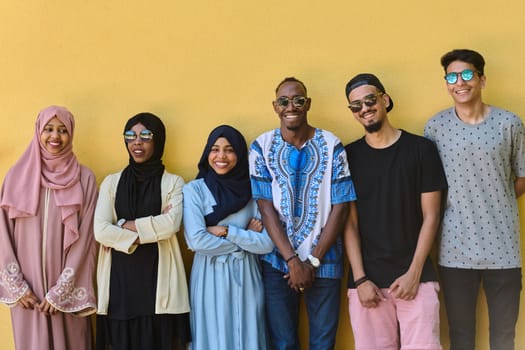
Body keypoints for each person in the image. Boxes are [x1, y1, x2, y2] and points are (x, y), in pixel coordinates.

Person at [424, 49, 525, 350]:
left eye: (467, 74)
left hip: (504, 246)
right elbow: (430, 187)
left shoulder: (509, 124)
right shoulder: (436, 128)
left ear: (482, 79)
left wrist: (496, 197)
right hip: (455, 248)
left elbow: (522, 175)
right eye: (452, 77)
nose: (460, 83)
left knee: (504, 336)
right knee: (461, 336)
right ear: (446, 82)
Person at [249, 77, 356, 349]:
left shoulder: (332, 145)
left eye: (297, 100)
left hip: (326, 259)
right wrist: (293, 261)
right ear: (275, 106)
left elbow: (340, 206)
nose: (291, 106)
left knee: (323, 342)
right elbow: (265, 206)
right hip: (277, 262)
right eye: (283, 101)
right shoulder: (261, 146)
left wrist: (313, 261)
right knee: (283, 343)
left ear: (307, 103)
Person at [343, 73, 447, 350]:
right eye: (356, 105)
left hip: (417, 277)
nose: (364, 108)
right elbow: (349, 224)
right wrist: (360, 279)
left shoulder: (421, 150)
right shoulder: (348, 157)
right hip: (368, 284)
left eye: (370, 100)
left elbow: (432, 216)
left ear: (384, 100)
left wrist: (414, 274)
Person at [0, 105, 98, 349]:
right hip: (28, 294)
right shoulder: (16, 177)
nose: (55, 136)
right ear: (38, 132)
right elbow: (2, 235)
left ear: (71, 134)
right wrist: (17, 286)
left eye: (63, 130)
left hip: (66, 289)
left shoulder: (84, 178)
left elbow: (87, 238)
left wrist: (62, 290)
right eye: (49, 129)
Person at [94, 112, 191, 350]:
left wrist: (121, 225)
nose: (137, 141)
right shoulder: (111, 182)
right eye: (131, 135)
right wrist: (150, 227)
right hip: (119, 288)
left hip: (158, 288)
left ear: (158, 140)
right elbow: (100, 230)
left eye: (146, 135)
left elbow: (171, 225)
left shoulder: (174, 183)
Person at [183, 125, 274, 350]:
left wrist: (226, 232)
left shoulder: (254, 191)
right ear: (207, 153)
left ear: (240, 154)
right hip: (208, 276)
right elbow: (196, 241)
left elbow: (267, 244)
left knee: (248, 334)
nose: (221, 156)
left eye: (229, 150)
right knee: (212, 336)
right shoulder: (194, 190)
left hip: (246, 276)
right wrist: (245, 239)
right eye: (215, 149)